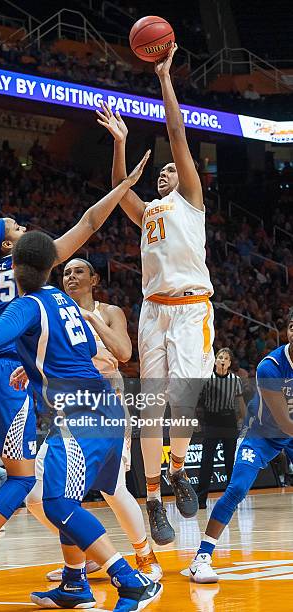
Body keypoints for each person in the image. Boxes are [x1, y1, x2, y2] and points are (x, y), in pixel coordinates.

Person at [0, 151, 150, 597]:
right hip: (14, 371)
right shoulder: (36, 271)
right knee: (29, 481)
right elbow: (89, 222)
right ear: (12, 247)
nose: (24, 227)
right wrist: (121, 187)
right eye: (17, 227)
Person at [96, 44, 214, 545]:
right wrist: (120, 143)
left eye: (171, 171)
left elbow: (177, 135)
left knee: (183, 402)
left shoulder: (188, 200)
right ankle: (151, 500)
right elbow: (120, 191)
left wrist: (165, 78)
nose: (167, 172)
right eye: (162, 172)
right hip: (153, 311)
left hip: (191, 310)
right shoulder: (149, 214)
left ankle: (177, 472)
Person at [25, 257, 162, 584]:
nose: (70, 277)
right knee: (33, 494)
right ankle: (90, 553)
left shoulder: (110, 312)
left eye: (78, 272)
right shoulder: (54, 313)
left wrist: (92, 320)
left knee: (113, 488)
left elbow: (124, 353)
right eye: (66, 273)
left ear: (94, 279)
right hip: (69, 404)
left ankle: (144, 556)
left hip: (105, 400)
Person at [188, 315, 293, 583]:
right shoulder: (271, 367)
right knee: (236, 489)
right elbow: (284, 422)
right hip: (262, 435)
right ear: (288, 331)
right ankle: (202, 557)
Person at [196, 348, 246, 508]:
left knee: (230, 461)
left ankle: (232, 498)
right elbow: (197, 403)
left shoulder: (235, 380)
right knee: (206, 460)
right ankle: (201, 499)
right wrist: (196, 420)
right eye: (220, 357)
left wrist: (243, 420)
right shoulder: (207, 379)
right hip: (211, 421)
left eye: (226, 358)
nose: (223, 360)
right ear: (215, 360)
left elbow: (241, 404)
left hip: (229, 421)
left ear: (230, 363)